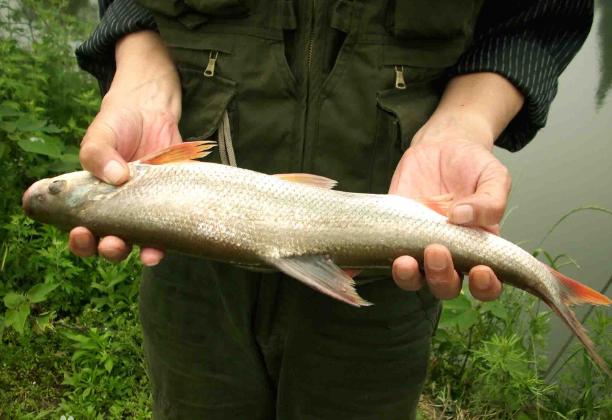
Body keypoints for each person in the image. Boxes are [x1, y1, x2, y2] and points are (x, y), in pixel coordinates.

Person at [70, 0, 593, 418]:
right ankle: (548, 283)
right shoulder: (132, 186)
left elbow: (538, 15)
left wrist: (466, 121)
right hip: (193, 273)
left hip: (380, 280)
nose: (47, 188)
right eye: (54, 193)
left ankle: (547, 284)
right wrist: (141, 71)